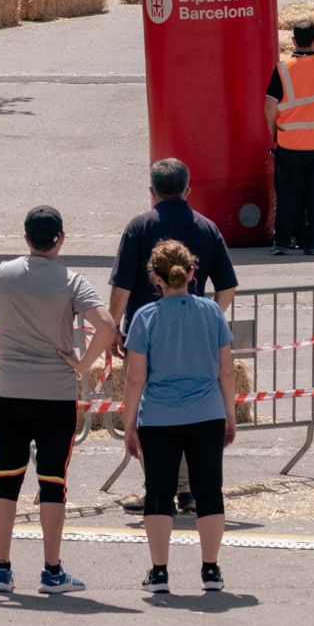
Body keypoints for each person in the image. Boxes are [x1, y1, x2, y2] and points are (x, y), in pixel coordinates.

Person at [0, 205, 117, 596]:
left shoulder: (2, 274)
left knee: (6, 478)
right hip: (55, 392)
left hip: (9, 388)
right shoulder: (71, 280)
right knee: (52, 481)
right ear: (61, 238)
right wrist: (82, 363)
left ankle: (2, 568)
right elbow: (107, 326)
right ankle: (51, 569)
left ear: (25, 238)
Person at [108, 157, 237, 516]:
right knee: (192, 401)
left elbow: (120, 289)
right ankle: (189, 490)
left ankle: (162, 488)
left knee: (155, 405)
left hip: (144, 333)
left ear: (151, 192)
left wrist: (114, 329)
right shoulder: (207, 227)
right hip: (194, 336)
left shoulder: (138, 227)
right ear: (188, 188)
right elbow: (227, 288)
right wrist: (208, 321)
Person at [122, 239, 236, 594]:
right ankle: (211, 570)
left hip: (158, 416)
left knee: (158, 493)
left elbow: (135, 376)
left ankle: (159, 572)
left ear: (155, 278)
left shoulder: (145, 317)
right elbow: (227, 371)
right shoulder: (212, 312)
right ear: (191, 273)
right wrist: (229, 414)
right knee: (208, 492)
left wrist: (129, 424)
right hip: (206, 412)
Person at [265, 19, 314, 257]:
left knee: (287, 195)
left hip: (290, 143)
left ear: (293, 40)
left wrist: (273, 134)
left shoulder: (283, 69)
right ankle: (313, 244)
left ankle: (283, 242)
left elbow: (270, 106)